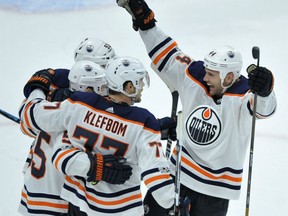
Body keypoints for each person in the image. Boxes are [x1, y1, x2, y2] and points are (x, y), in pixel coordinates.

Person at [117, 1, 277, 215]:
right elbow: (166, 53)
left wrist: (265, 91)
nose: (205, 76)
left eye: (211, 74)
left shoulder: (244, 95)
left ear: (229, 77)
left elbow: (265, 109)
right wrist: (146, 22)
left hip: (215, 192)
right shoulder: (194, 74)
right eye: (207, 70)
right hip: (176, 176)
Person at [20, 56, 175, 216]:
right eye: (140, 81)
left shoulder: (79, 103)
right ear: (129, 86)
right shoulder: (144, 121)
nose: (142, 85)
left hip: (77, 204)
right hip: (120, 209)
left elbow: (32, 115)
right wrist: (172, 201)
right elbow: (155, 171)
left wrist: (37, 88)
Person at [18, 38, 118, 216]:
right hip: (61, 193)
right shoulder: (96, 104)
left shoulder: (57, 92)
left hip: (36, 190)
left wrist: (38, 89)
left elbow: (27, 123)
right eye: (106, 65)